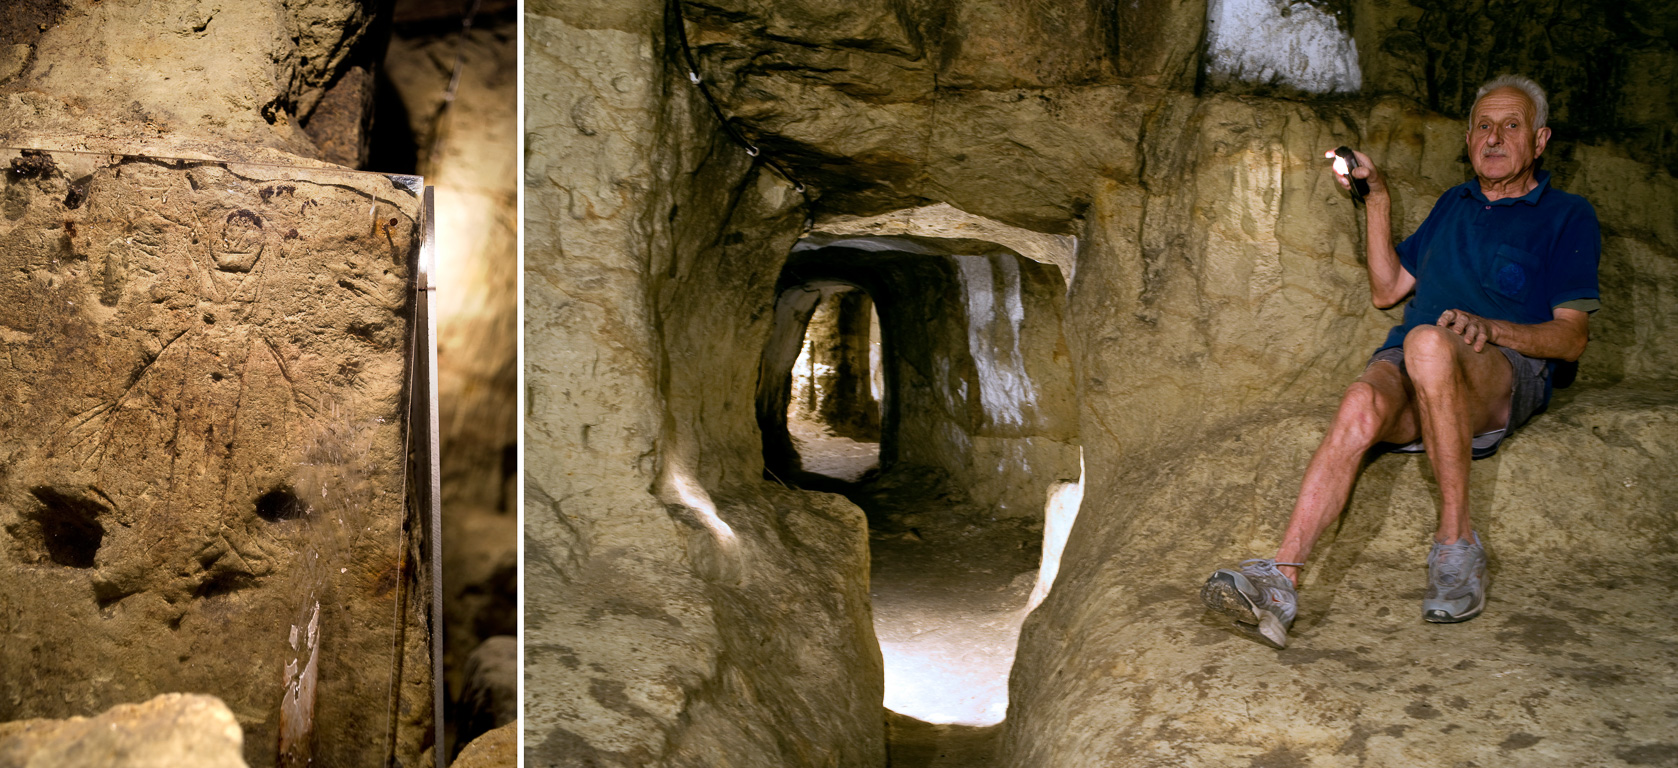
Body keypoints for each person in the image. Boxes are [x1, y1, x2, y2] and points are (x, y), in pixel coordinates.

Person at [1199, 75, 1601, 648]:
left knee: (1427, 343)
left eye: (1511, 126)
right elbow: (1387, 289)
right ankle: (1280, 578)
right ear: (1467, 139)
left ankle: (1457, 545)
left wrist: (1490, 328)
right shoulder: (1452, 206)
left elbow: (1572, 339)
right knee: (1364, 396)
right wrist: (1378, 196)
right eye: (1483, 126)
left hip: (1502, 368)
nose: (1494, 138)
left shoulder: (1566, 214)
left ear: (1539, 141)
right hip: (1421, 364)